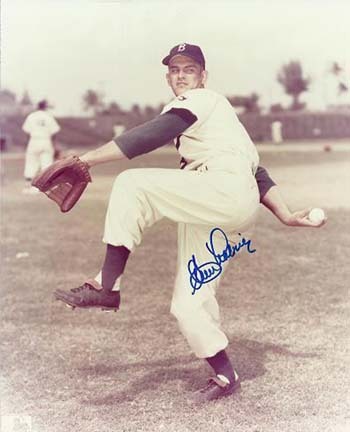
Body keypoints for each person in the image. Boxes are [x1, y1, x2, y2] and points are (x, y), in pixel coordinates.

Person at [53, 43, 325, 403]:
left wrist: (85, 160)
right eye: (175, 70)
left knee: (133, 184)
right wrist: (287, 215)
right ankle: (226, 375)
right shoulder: (226, 123)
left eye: (189, 69)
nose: (182, 75)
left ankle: (107, 285)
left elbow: (152, 133)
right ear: (168, 77)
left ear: (203, 77)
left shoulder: (202, 99)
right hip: (222, 206)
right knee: (188, 303)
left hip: (221, 190)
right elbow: (256, 174)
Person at [22, 100, 60, 194]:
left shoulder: (31, 116)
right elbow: (54, 133)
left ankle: (28, 186)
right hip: (46, 140)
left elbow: (27, 132)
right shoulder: (48, 116)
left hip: (34, 140)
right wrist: (55, 146)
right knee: (46, 163)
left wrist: (27, 143)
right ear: (45, 107)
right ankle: (46, 187)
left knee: (31, 162)